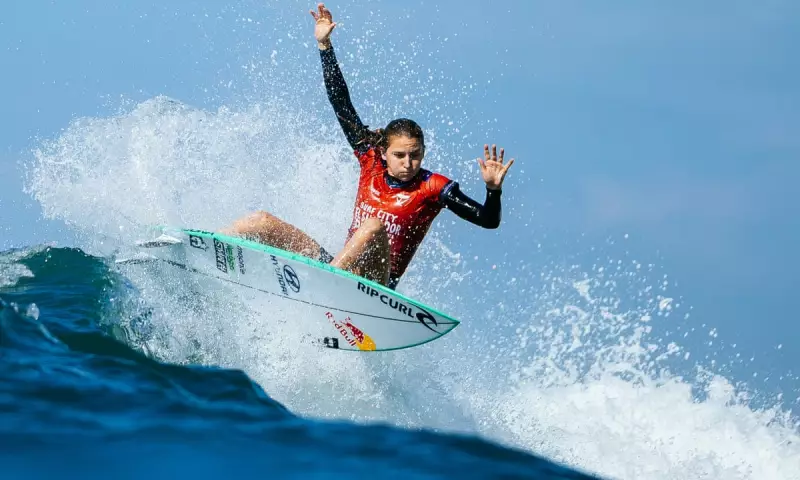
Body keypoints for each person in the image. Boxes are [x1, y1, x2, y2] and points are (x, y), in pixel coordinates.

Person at [223, 3, 515, 290]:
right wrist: (325, 47)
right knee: (258, 221)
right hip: (341, 270)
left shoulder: (433, 187)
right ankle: (197, 250)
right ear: (384, 153)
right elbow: (341, 103)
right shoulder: (369, 159)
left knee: (373, 226)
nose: (408, 162)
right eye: (399, 155)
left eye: (415, 155)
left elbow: (488, 221)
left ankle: (324, 285)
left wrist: (493, 190)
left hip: (376, 287)